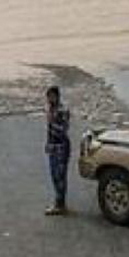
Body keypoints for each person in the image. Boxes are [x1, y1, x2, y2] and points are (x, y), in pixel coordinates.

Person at [44, 85, 71, 215]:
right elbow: (49, 129)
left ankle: (60, 204)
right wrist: (48, 143)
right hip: (54, 146)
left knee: (60, 176)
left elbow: (63, 130)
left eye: (51, 96)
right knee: (54, 175)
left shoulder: (62, 110)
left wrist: (52, 121)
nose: (49, 99)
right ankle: (59, 203)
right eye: (48, 97)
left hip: (61, 146)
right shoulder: (51, 108)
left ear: (56, 96)